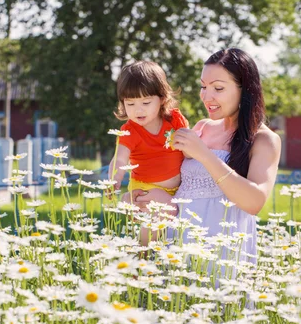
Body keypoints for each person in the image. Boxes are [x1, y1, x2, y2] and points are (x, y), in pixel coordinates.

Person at [134, 48, 281, 261]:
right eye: (203, 86)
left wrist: (204, 154)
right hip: (178, 241)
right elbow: (182, 184)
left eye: (218, 88)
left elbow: (254, 203)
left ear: (245, 89)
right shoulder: (202, 127)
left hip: (222, 247)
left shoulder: (264, 140)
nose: (206, 96)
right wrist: (156, 196)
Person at [107, 61, 190, 242]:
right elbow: (120, 159)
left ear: (161, 99)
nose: (138, 109)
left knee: (177, 223)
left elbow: (190, 148)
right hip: (145, 188)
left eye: (145, 102)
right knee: (166, 211)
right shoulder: (129, 130)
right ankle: (141, 252)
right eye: (130, 104)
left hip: (180, 189)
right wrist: (114, 179)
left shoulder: (175, 120)